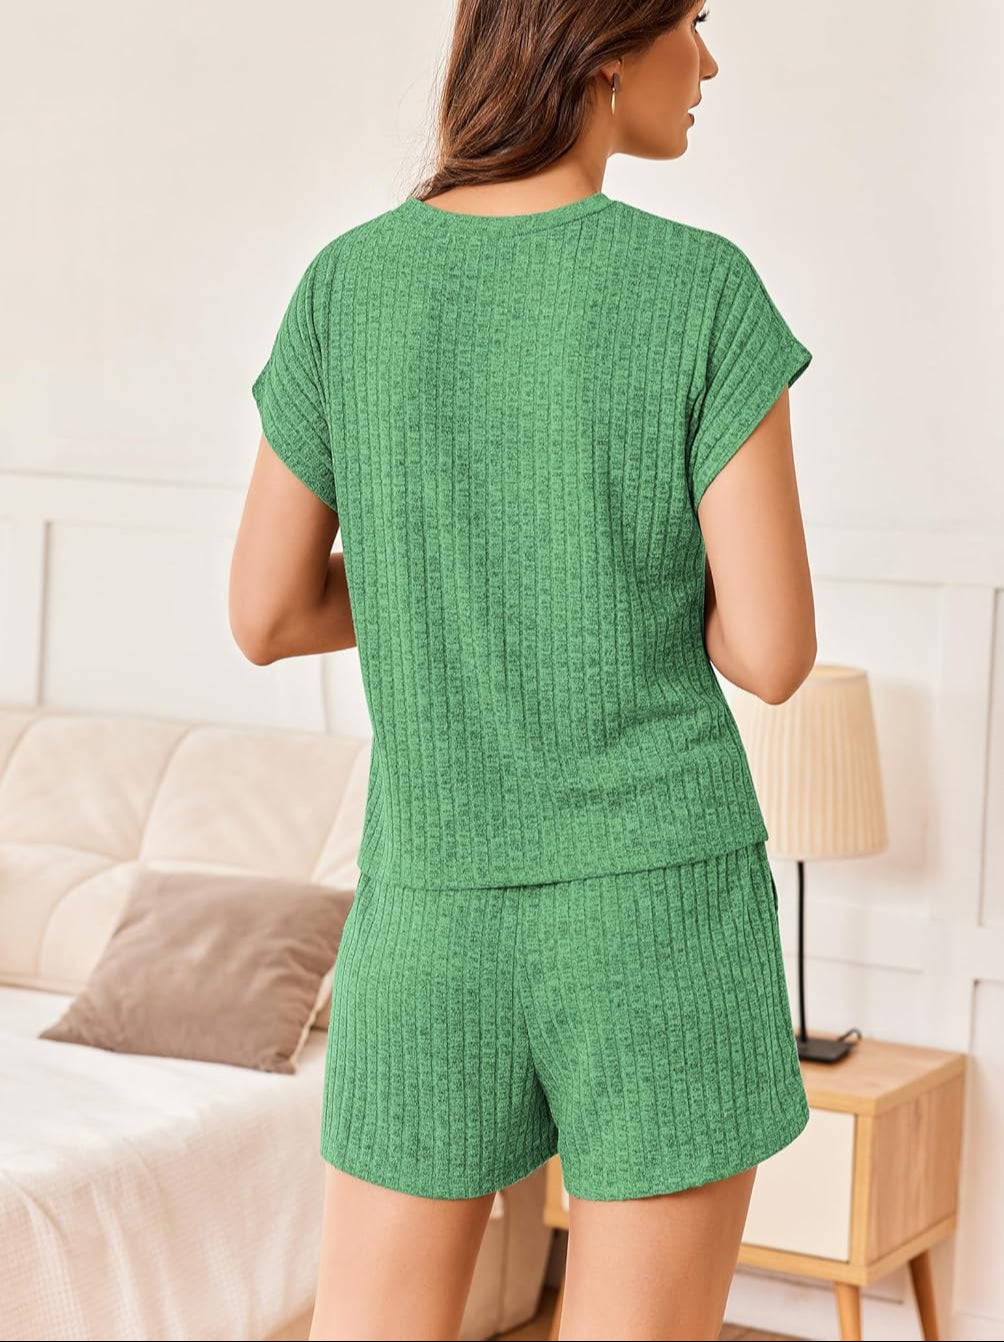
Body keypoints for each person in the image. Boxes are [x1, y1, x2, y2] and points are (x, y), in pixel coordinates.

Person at [230, 0, 817, 1337]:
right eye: (694, 23)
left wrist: (446, 582)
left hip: (429, 908)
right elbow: (774, 650)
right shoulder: (700, 288)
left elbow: (267, 614)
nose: (709, 61)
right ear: (603, 48)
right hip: (658, 906)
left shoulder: (350, 283)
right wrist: (624, 581)